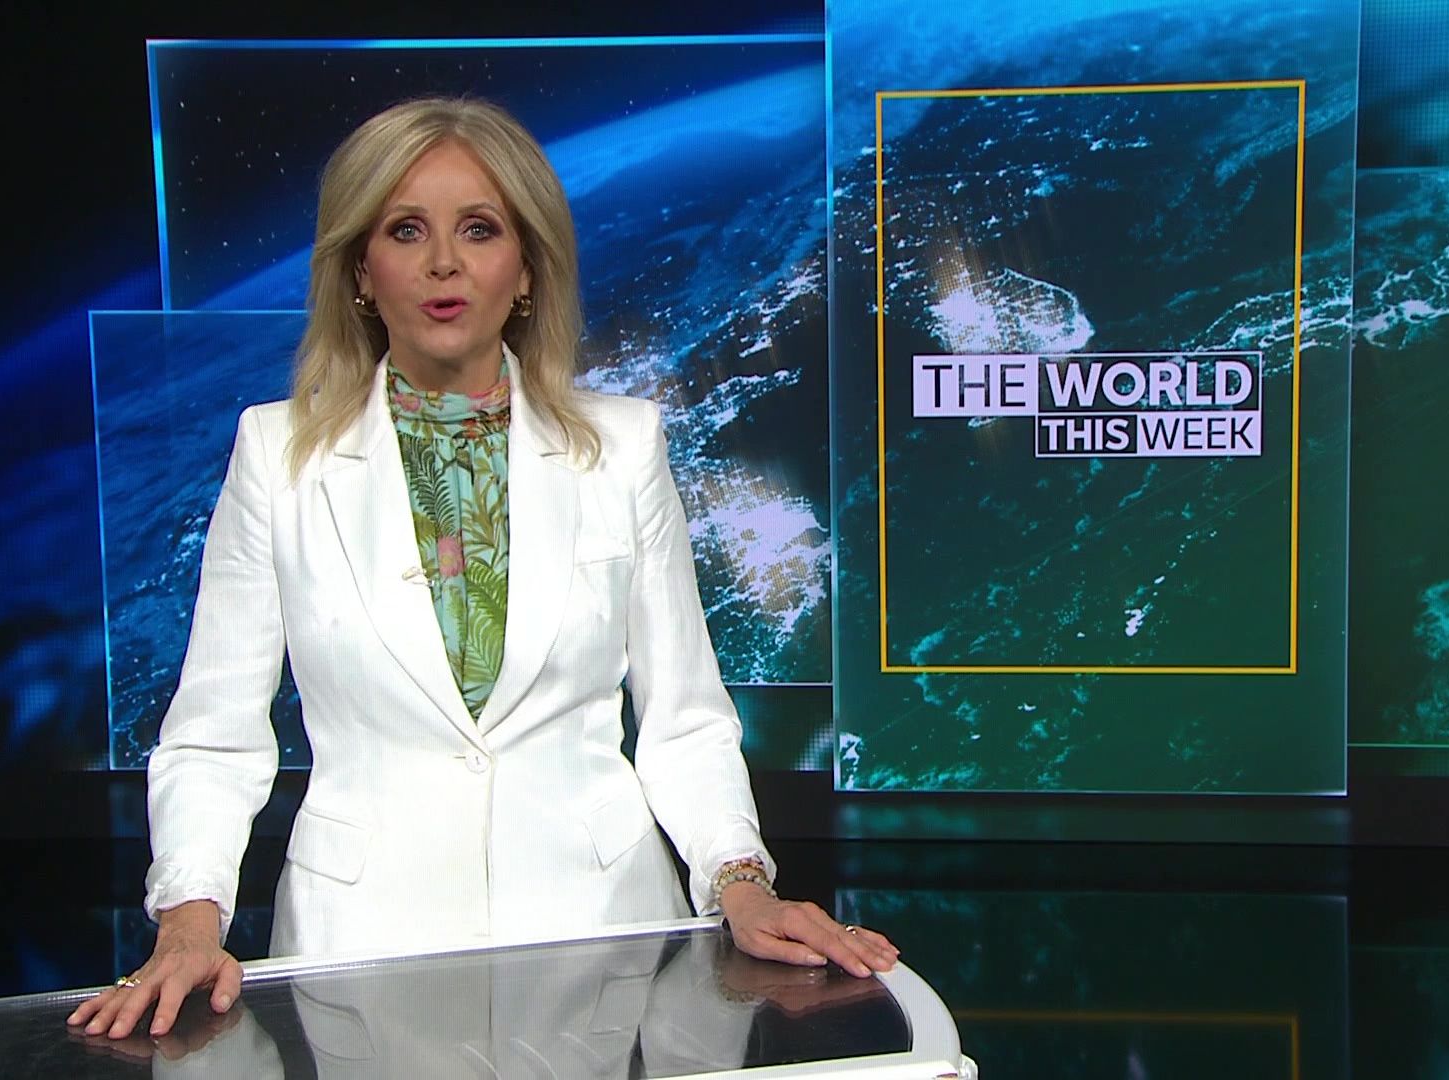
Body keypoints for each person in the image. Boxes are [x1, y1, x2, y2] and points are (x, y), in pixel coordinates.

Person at [68, 96, 896, 1042]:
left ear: (529, 266)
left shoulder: (622, 448)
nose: (443, 263)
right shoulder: (278, 454)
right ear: (360, 271)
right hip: (361, 956)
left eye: (479, 228)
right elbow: (214, 739)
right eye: (405, 230)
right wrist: (188, 923)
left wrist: (739, 885)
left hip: (603, 946)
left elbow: (684, 722)